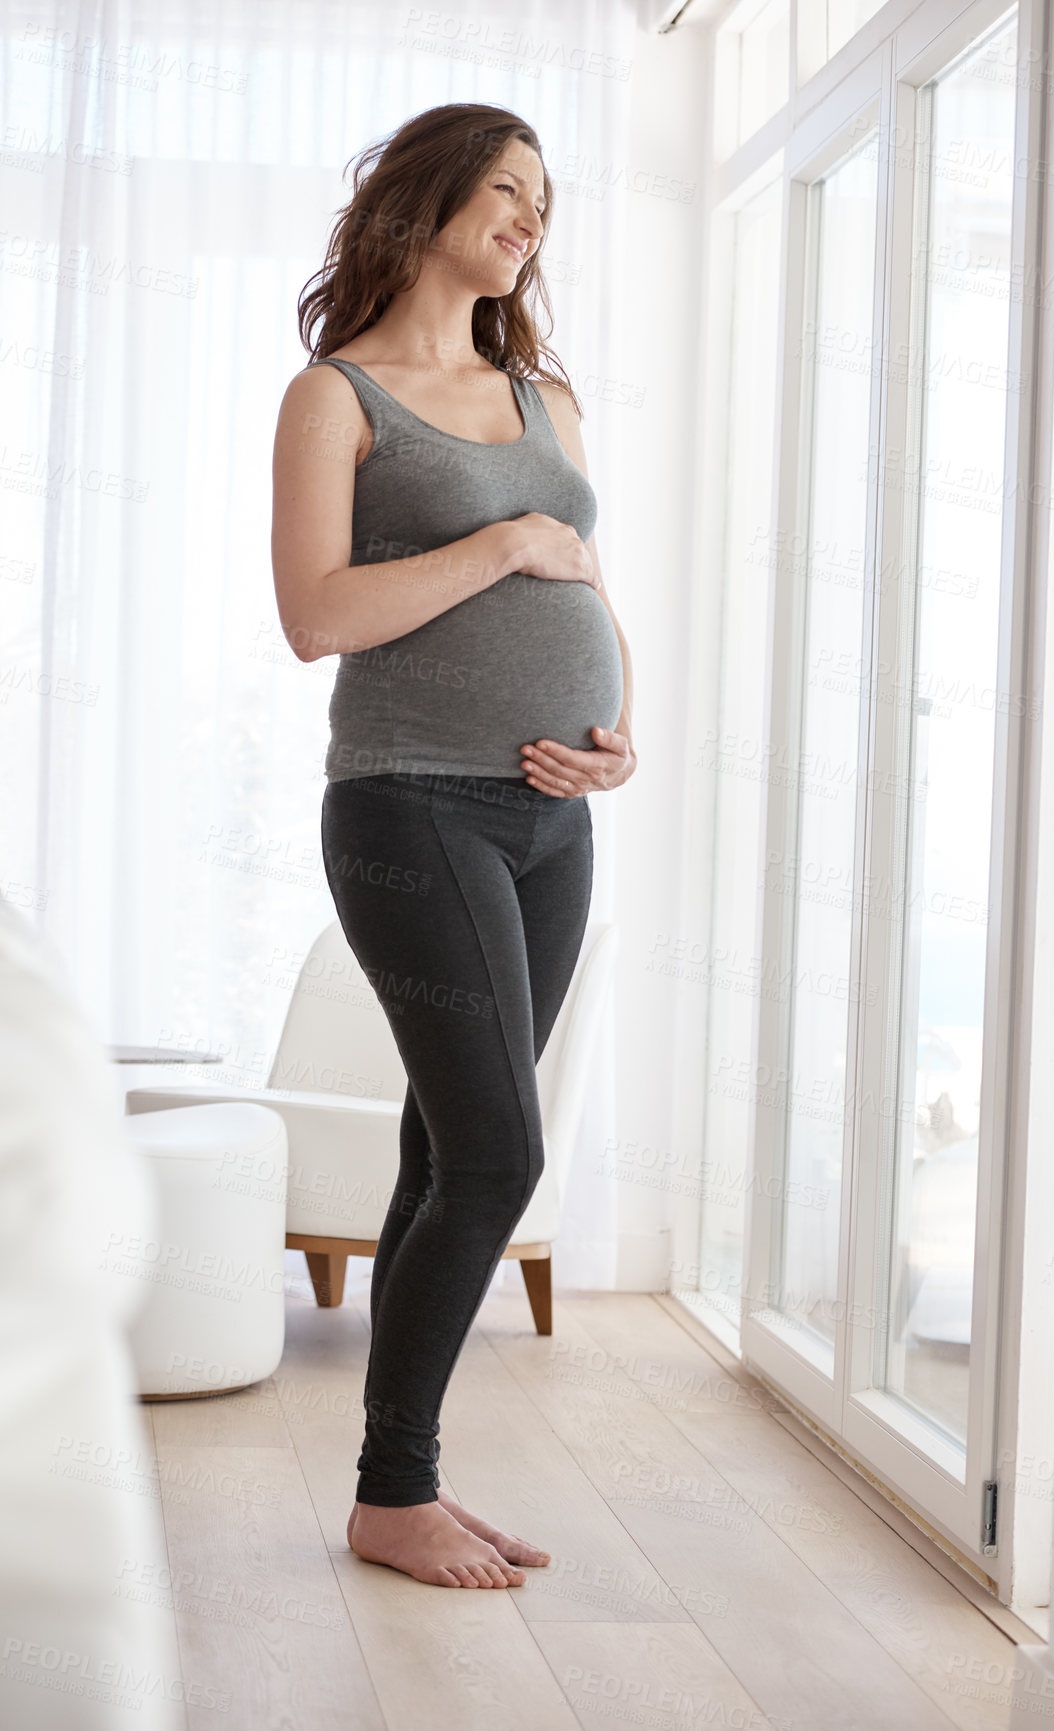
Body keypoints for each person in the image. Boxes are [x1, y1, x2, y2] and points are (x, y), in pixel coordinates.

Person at [270, 102, 636, 1590]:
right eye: (504, 190)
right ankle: (393, 1492)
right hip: (410, 804)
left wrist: (622, 731)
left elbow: (593, 582)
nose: (529, 219)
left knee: (446, 1145)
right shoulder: (336, 396)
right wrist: (496, 546)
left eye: (543, 202)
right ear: (423, 202)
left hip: (555, 818)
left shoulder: (545, 395)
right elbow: (315, 619)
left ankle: (399, 1485)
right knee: (498, 1149)